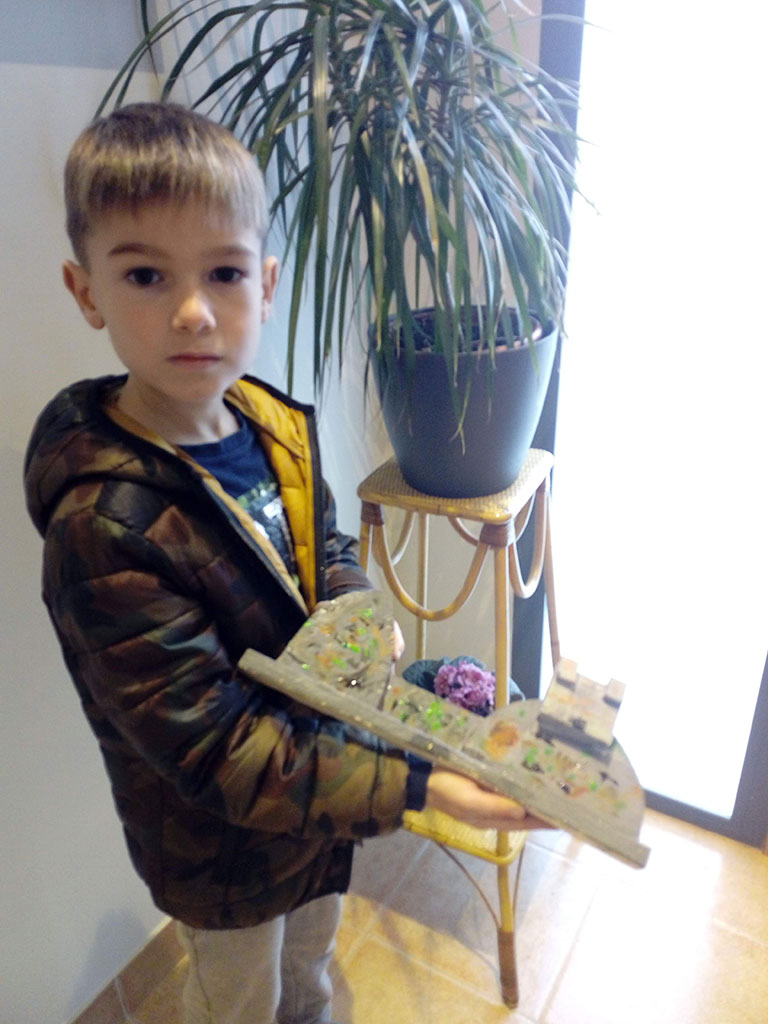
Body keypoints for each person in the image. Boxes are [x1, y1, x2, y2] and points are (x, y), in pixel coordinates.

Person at [24, 103, 543, 1024]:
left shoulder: (268, 423)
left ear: (264, 285)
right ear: (86, 290)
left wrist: (356, 604)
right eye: (145, 274)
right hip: (219, 849)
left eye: (224, 272)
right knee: (240, 997)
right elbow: (217, 750)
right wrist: (422, 782)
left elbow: (321, 545)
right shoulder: (103, 529)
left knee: (309, 966)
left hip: (317, 803)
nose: (193, 311)